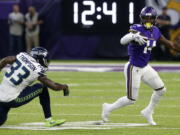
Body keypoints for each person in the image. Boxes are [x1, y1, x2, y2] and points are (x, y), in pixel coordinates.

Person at [101, 6, 180, 126]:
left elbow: (171, 45)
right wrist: (133, 36)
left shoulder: (156, 31)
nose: (148, 21)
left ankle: (148, 111)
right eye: (145, 18)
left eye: (150, 18)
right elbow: (123, 40)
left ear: (154, 19)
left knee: (161, 90)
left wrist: (176, 46)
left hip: (145, 67)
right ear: (141, 18)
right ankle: (108, 108)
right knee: (131, 99)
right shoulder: (136, 28)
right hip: (134, 67)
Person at [0, 47, 69, 127]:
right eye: (45, 59)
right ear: (40, 59)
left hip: (1, 96)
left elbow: (6, 60)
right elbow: (54, 86)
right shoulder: (37, 69)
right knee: (42, 87)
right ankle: (49, 120)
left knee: (1, 120)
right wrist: (65, 87)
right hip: (12, 99)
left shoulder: (22, 55)